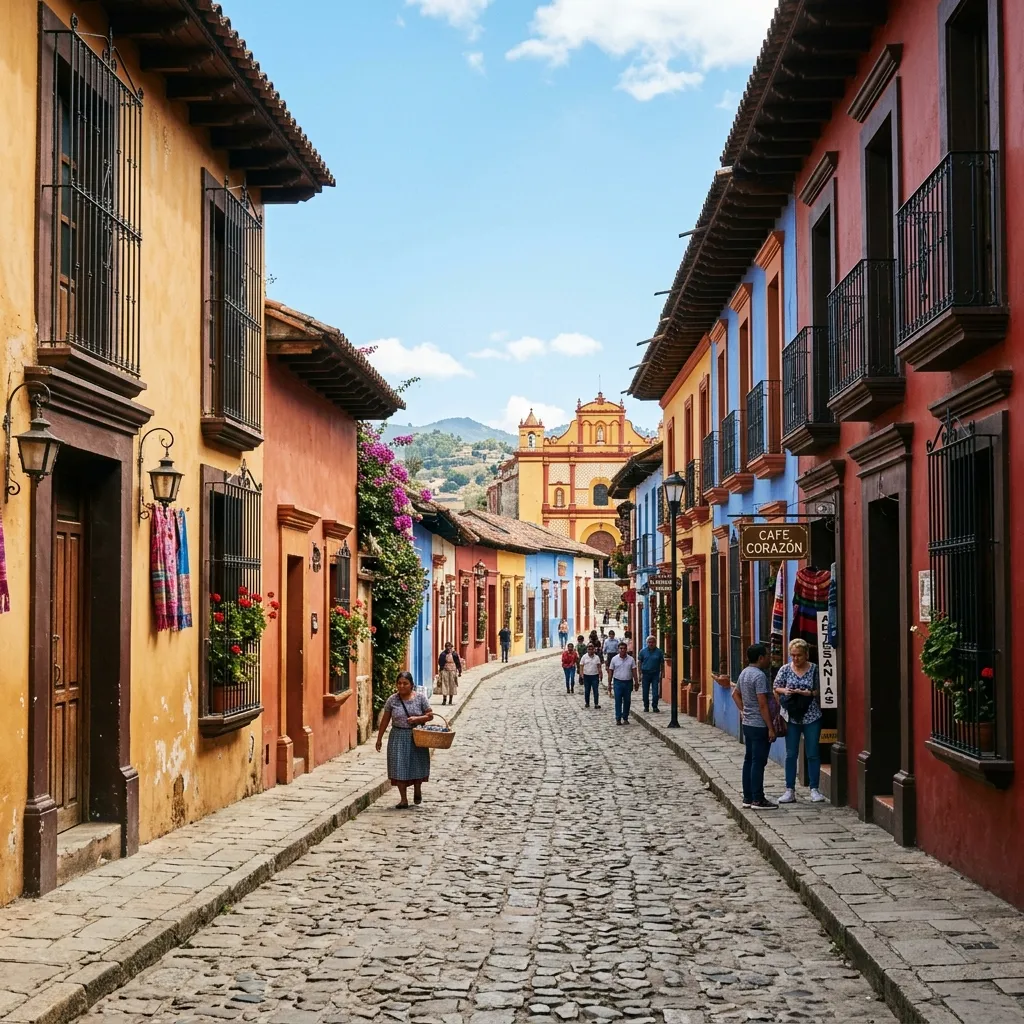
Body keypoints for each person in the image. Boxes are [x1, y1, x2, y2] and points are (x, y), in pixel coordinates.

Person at [774, 639, 826, 805]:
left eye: (799, 655)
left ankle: (814, 789)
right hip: (791, 717)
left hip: (811, 715)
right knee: (791, 753)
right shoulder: (785, 669)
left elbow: (820, 690)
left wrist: (808, 693)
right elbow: (776, 686)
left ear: (806, 655)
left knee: (812, 752)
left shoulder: (815, 669)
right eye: (793, 655)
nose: (796, 659)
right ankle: (790, 789)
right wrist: (786, 691)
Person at [375, 671, 434, 808]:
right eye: (399, 683)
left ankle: (417, 788)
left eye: (405, 683)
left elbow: (430, 715)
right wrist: (379, 739)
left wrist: (418, 719)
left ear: (411, 685)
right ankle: (403, 799)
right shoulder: (392, 700)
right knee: (398, 767)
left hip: (417, 736)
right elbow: (385, 720)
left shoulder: (420, 698)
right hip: (398, 737)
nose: (401, 686)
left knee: (417, 764)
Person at [731, 643, 777, 810]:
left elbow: (734, 694)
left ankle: (748, 797)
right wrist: (770, 727)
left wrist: (743, 710)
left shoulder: (744, 673)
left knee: (749, 760)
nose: (769, 658)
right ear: (760, 658)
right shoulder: (759, 677)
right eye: (767, 655)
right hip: (759, 724)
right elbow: (763, 704)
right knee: (758, 761)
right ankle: (758, 798)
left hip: (748, 723)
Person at [607, 641, 639, 725]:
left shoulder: (631, 659)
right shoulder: (614, 659)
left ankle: (625, 717)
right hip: (618, 682)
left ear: (626, 649)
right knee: (618, 700)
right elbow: (611, 671)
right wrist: (609, 684)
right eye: (621, 648)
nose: (622, 650)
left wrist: (636, 681)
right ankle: (618, 718)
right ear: (618, 649)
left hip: (628, 682)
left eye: (624, 648)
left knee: (627, 701)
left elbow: (634, 671)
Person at [637, 635, 665, 713]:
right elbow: (639, 662)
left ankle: (655, 706)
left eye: (652, 642)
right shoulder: (642, 651)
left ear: (655, 643)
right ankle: (646, 706)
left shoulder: (659, 652)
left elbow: (662, 663)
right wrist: (639, 674)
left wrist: (663, 672)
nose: (651, 644)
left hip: (655, 674)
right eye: (649, 642)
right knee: (645, 692)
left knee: (655, 692)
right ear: (647, 643)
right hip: (645, 674)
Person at [579, 642, 603, 709]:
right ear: (587, 649)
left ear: (594, 649)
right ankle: (587, 703)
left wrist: (600, 674)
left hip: (595, 676)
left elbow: (599, 666)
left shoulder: (597, 657)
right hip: (586, 676)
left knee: (595, 690)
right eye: (589, 649)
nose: (590, 650)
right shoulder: (584, 657)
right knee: (587, 690)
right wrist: (581, 674)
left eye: (592, 649)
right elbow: (581, 666)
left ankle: (596, 704)